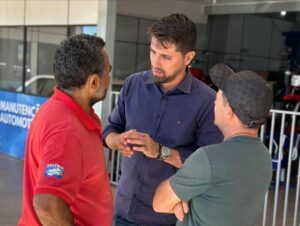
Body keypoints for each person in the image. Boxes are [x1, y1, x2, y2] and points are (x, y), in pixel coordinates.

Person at [103, 14, 223, 226]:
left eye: (166, 56)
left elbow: (209, 167)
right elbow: (110, 129)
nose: (155, 62)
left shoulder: (207, 102)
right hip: (122, 211)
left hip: (169, 220)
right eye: (152, 52)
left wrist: (160, 151)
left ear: (188, 58)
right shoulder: (133, 85)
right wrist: (116, 140)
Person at [153, 63, 273, 226]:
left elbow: (160, 202)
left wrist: (182, 201)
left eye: (217, 99)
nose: (213, 104)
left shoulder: (208, 159)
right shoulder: (264, 157)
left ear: (229, 111)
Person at [18, 34, 113, 226]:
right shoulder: (67, 130)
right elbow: (47, 204)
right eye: (108, 71)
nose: (109, 77)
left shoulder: (62, 111)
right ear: (93, 82)